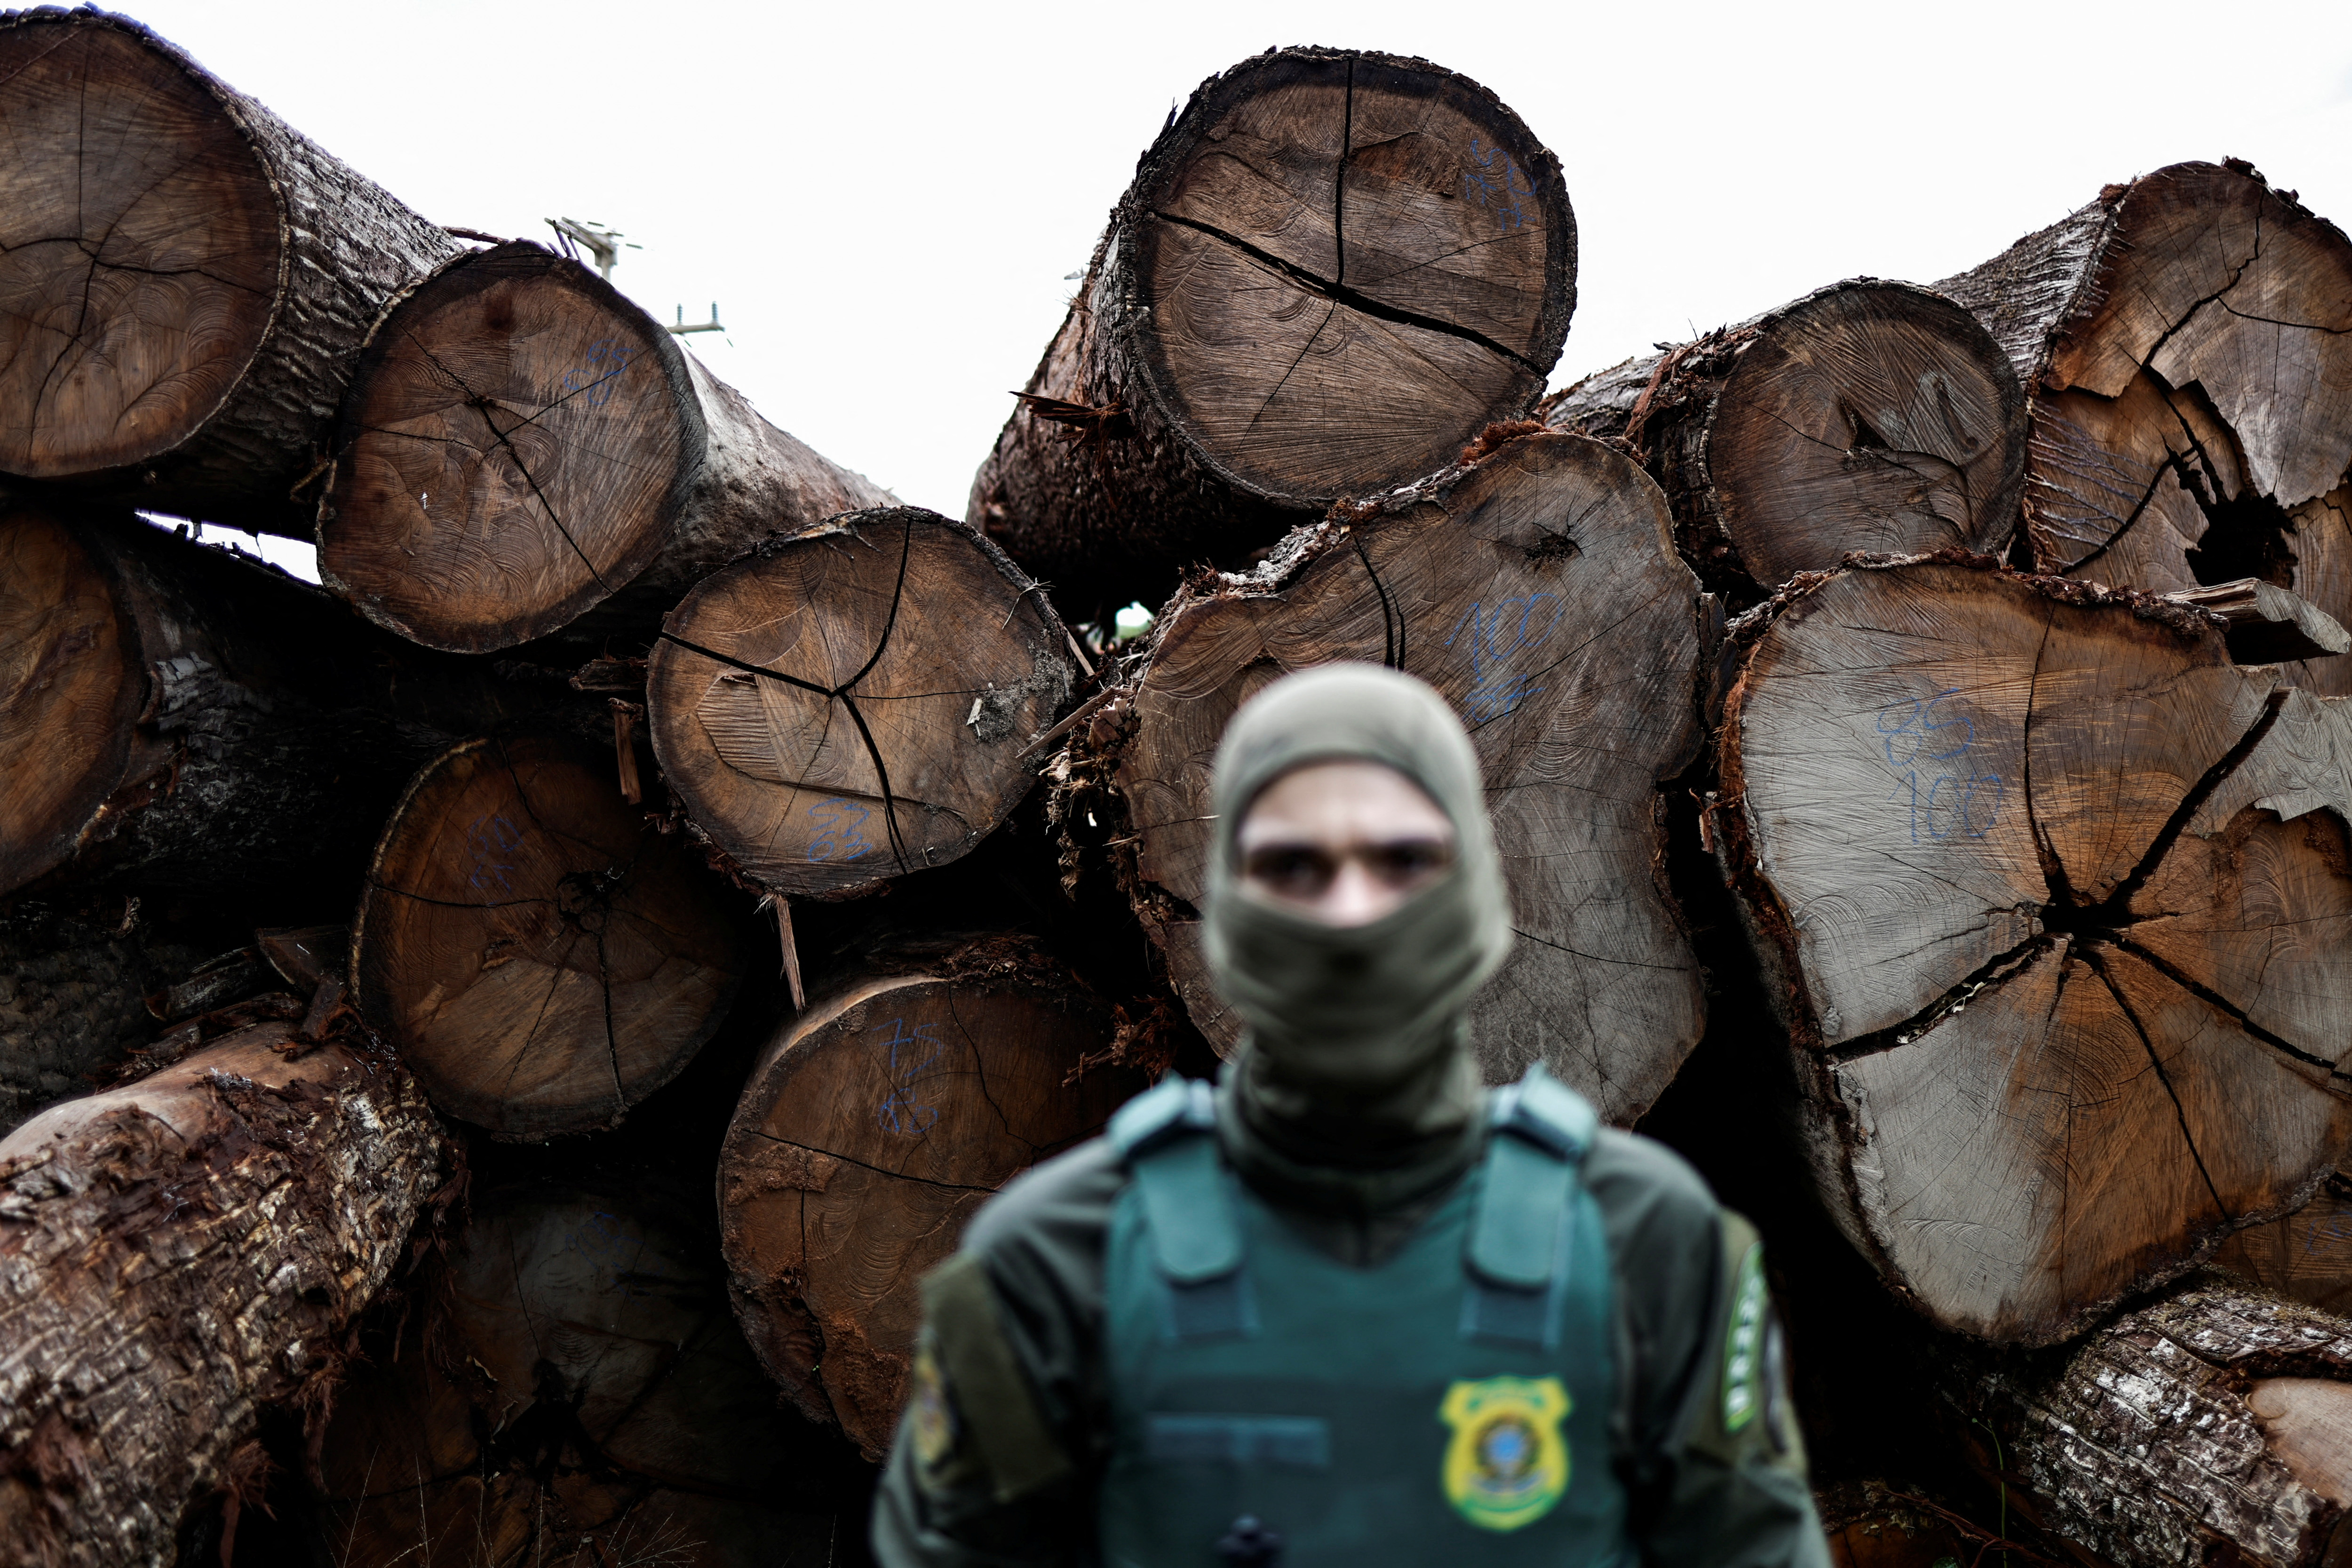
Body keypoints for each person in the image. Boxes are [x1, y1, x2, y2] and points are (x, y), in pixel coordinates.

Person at [873, 663, 1827, 1568]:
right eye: (1293, 866)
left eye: (1402, 858)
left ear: (1477, 895)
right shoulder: (1049, 1262)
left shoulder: (1650, 1244)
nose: (1351, 913)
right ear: (1224, 912)